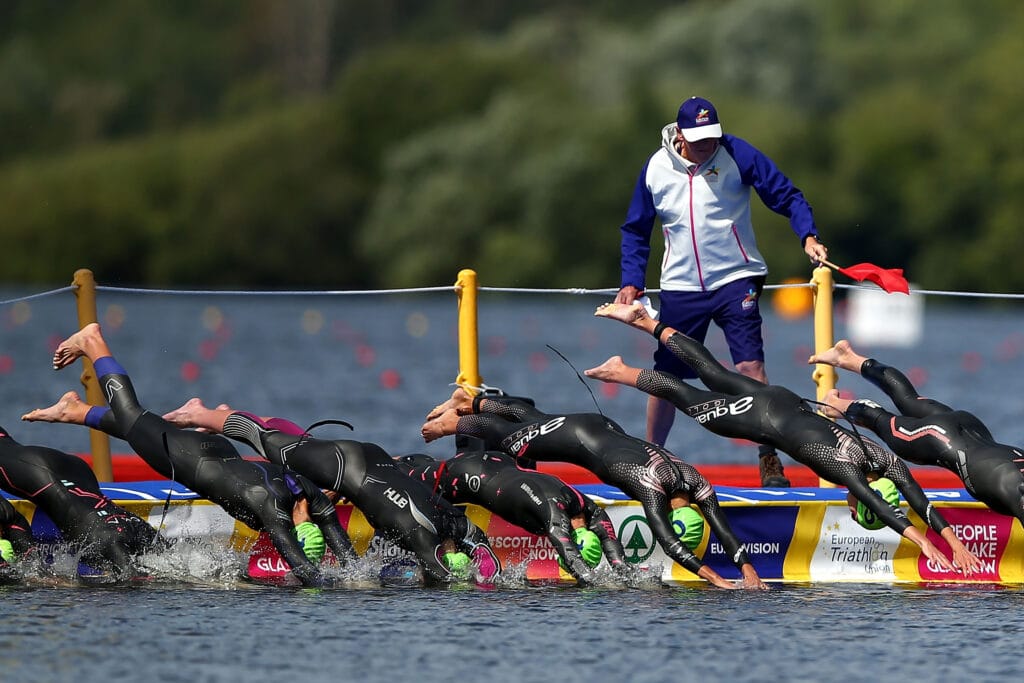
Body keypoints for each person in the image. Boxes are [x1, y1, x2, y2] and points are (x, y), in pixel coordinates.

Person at [587, 301, 982, 575]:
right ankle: (622, 371)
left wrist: (950, 539)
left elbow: (916, 497)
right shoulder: (843, 468)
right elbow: (874, 501)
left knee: (710, 369)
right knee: (687, 396)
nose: (849, 498)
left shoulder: (882, 458)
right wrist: (922, 542)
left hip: (783, 399)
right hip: (759, 419)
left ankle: (644, 321)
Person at [24, 324, 357, 588]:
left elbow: (333, 530)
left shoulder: (304, 489)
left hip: (219, 453)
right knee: (131, 414)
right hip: (189, 461)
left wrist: (354, 572)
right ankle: (94, 342)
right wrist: (323, 582)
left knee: (143, 428)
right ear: (299, 530)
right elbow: (298, 564)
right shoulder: (277, 515)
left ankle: (76, 410)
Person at [616, 95, 829, 487]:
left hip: (737, 278)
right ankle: (653, 461)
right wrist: (632, 280)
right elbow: (635, 230)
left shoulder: (736, 153)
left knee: (749, 368)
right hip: (681, 286)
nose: (707, 146)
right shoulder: (655, 170)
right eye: (698, 139)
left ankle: (769, 459)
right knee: (667, 376)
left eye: (712, 136)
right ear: (679, 134)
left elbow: (787, 195)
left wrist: (808, 236)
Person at [421, 389, 768, 590]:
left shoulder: (693, 478)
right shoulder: (655, 487)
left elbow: (719, 524)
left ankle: (471, 399)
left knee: (533, 420)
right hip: (577, 440)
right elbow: (669, 541)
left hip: (601, 426)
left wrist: (747, 570)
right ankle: (453, 422)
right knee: (514, 438)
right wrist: (716, 579)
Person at [159, 399, 500, 584]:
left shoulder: (456, 522)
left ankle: (220, 415)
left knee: (289, 444)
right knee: (269, 442)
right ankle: (197, 412)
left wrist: (486, 570)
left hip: (375, 458)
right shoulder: (427, 544)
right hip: (347, 468)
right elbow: (446, 579)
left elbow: (484, 550)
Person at [809, 339, 1024, 531]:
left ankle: (849, 357)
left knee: (909, 400)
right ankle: (835, 404)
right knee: (883, 423)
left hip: (970, 425)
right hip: (939, 438)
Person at [396, 444, 628, 585]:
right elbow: (572, 558)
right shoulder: (554, 513)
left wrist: (622, 571)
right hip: (465, 475)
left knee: (419, 468)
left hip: (497, 463)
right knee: (408, 479)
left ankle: (401, 461)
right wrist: (602, 585)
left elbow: (606, 533)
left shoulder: (581, 503)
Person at [0, 424, 160, 581]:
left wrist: (33, 571)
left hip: (99, 537)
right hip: (131, 522)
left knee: (134, 581)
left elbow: (11, 517)